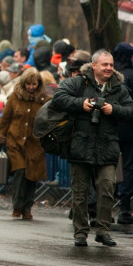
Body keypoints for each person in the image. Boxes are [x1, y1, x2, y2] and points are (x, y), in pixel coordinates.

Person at [51, 49, 133, 247]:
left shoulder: (119, 88)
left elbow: (131, 111)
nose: (109, 68)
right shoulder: (79, 83)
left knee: (107, 188)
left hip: (108, 147)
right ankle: (80, 232)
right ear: (94, 65)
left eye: (111, 65)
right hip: (81, 144)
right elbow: (58, 98)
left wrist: (114, 110)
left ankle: (103, 231)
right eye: (105, 65)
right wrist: (82, 104)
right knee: (80, 191)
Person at [0, 68, 48, 220]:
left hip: (34, 144)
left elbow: (49, 120)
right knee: (20, 171)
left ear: (38, 84)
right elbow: (5, 118)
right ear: (23, 84)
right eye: (28, 84)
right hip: (14, 141)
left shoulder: (44, 99)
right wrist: (0, 137)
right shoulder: (15, 97)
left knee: (32, 176)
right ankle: (17, 205)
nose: (31, 87)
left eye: (34, 84)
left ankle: (27, 207)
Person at [112, 42, 133, 224]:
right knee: (128, 166)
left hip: (111, 126)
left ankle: (103, 207)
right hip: (129, 127)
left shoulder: (111, 76)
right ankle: (124, 208)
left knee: (108, 164)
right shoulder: (131, 75)